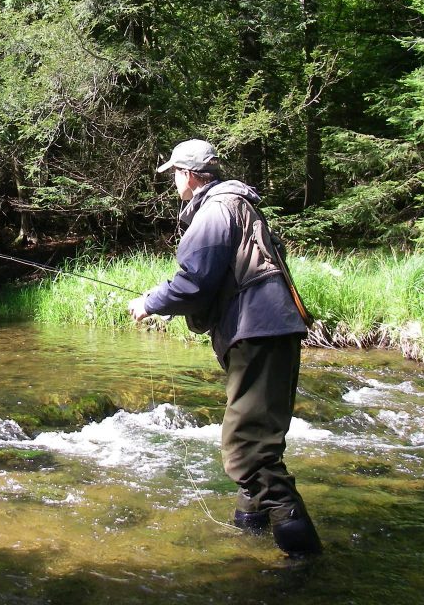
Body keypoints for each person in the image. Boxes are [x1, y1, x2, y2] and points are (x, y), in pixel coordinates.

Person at [127, 138, 322, 558]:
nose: (174, 182)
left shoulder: (215, 211)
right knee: (260, 441)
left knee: (247, 451)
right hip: (273, 330)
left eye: (176, 174)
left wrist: (148, 303)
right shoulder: (238, 205)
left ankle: (304, 559)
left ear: (190, 175)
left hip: (257, 333)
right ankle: (248, 531)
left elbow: (194, 282)